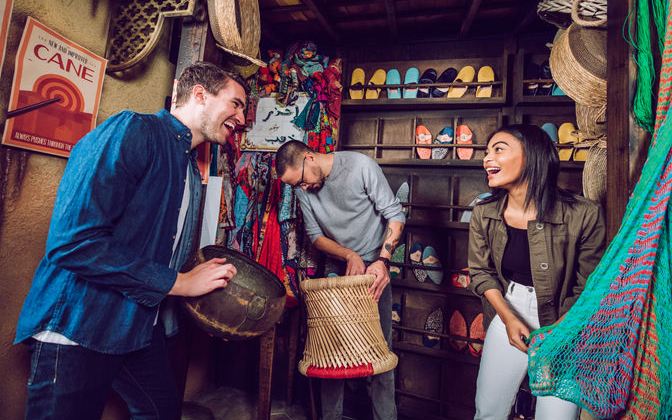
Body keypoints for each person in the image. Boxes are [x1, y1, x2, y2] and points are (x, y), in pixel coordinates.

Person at [14, 61, 248, 419]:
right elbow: (73, 242)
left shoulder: (186, 163)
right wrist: (180, 282)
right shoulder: (134, 130)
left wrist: (203, 282)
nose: (242, 118)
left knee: (161, 411)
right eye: (236, 103)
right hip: (80, 325)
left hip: (135, 326)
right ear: (200, 95)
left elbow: (152, 244)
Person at [468, 124, 606, 420]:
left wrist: (558, 333)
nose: (486, 158)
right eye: (486, 152)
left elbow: (590, 288)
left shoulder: (584, 214)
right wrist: (508, 320)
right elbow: (480, 273)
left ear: (531, 156)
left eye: (498, 149)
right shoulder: (484, 211)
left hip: (567, 323)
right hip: (509, 310)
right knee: (488, 412)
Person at [276, 140, 405, 420]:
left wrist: (381, 262)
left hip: (376, 266)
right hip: (338, 265)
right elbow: (315, 236)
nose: (302, 189)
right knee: (331, 350)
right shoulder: (302, 190)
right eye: (295, 186)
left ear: (310, 158)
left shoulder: (361, 166)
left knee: (380, 349)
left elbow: (395, 215)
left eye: (301, 181)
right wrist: (348, 255)